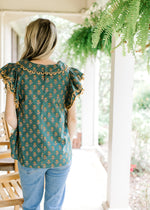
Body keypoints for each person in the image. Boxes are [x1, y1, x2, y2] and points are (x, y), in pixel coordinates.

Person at [0, 18, 84, 210]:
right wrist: (63, 144)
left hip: (30, 153)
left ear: (30, 40)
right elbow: (72, 119)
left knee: (30, 205)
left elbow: (10, 117)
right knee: (54, 206)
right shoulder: (67, 74)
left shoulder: (17, 72)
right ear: (53, 42)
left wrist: (30, 131)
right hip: (59, 154)